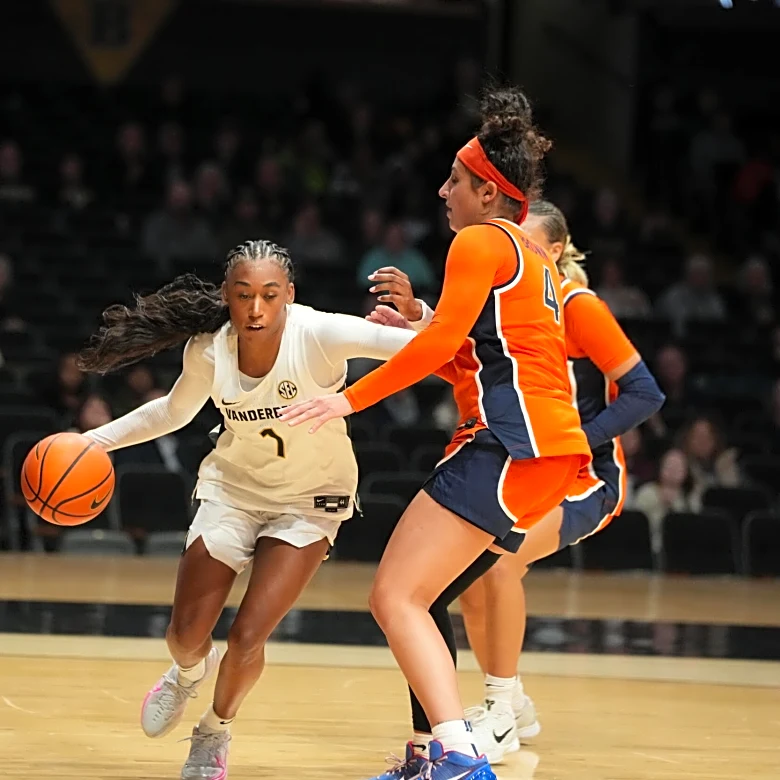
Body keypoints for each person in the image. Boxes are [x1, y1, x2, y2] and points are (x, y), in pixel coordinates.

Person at [280, 87, 592, 780]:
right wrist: (419, 320)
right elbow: (473, 347)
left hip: (510, 443)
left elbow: (444, 345)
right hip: (541, 452)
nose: (442, 189)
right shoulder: (527, 254)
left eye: (456, 179)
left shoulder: (479, 240)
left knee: (395, 597)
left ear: (488, 193)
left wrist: (347, 400)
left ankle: (457, 754)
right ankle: (431, 754)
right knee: (418, 598)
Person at [77, 240, 419, 780]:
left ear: (289, 296)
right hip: (233, 490)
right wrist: (92, 442)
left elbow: (426, 346)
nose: (256, 309)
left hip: (310, 501)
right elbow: (172, 411)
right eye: (243, 296)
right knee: (185, 636)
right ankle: (187, 674)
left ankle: (214, 732)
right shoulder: (210, 348)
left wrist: (419, 316)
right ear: (227, 298)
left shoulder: (321, 333)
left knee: (247, 636)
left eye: (268, 295)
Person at [362, 199, 665, 766]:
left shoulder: (574, 305)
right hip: (515, 455)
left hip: (581, 471)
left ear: (552, 251)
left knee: (498, 564)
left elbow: (646, 392)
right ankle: (505, 704)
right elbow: (465, 354)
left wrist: (576, 437)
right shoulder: (511, 302)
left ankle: (498, 711)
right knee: (462, 580)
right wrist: (418, 321)